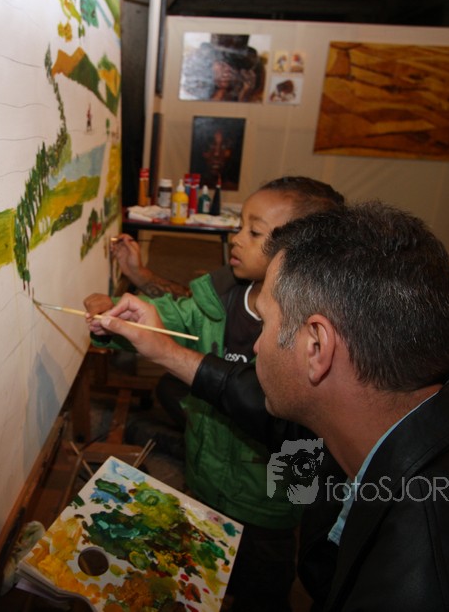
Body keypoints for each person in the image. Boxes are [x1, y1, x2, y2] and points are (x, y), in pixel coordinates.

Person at [96, 202, 449, 610]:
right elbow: (284, 423)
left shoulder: (417, 582)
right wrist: (165, 351)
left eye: (266, 323)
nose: (257, 345)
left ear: (317, 346)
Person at [85, 177, 345, 611]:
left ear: (304, 252)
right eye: (240, 226)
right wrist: (117, 322)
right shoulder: (219, 300)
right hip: (205, 480)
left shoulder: (316, 331)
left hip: (270, 509)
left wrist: (290, 503)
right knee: (202, 580)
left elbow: (303, 432)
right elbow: (169, 317)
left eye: (254, 232)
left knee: (261, 592)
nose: (236, 239)